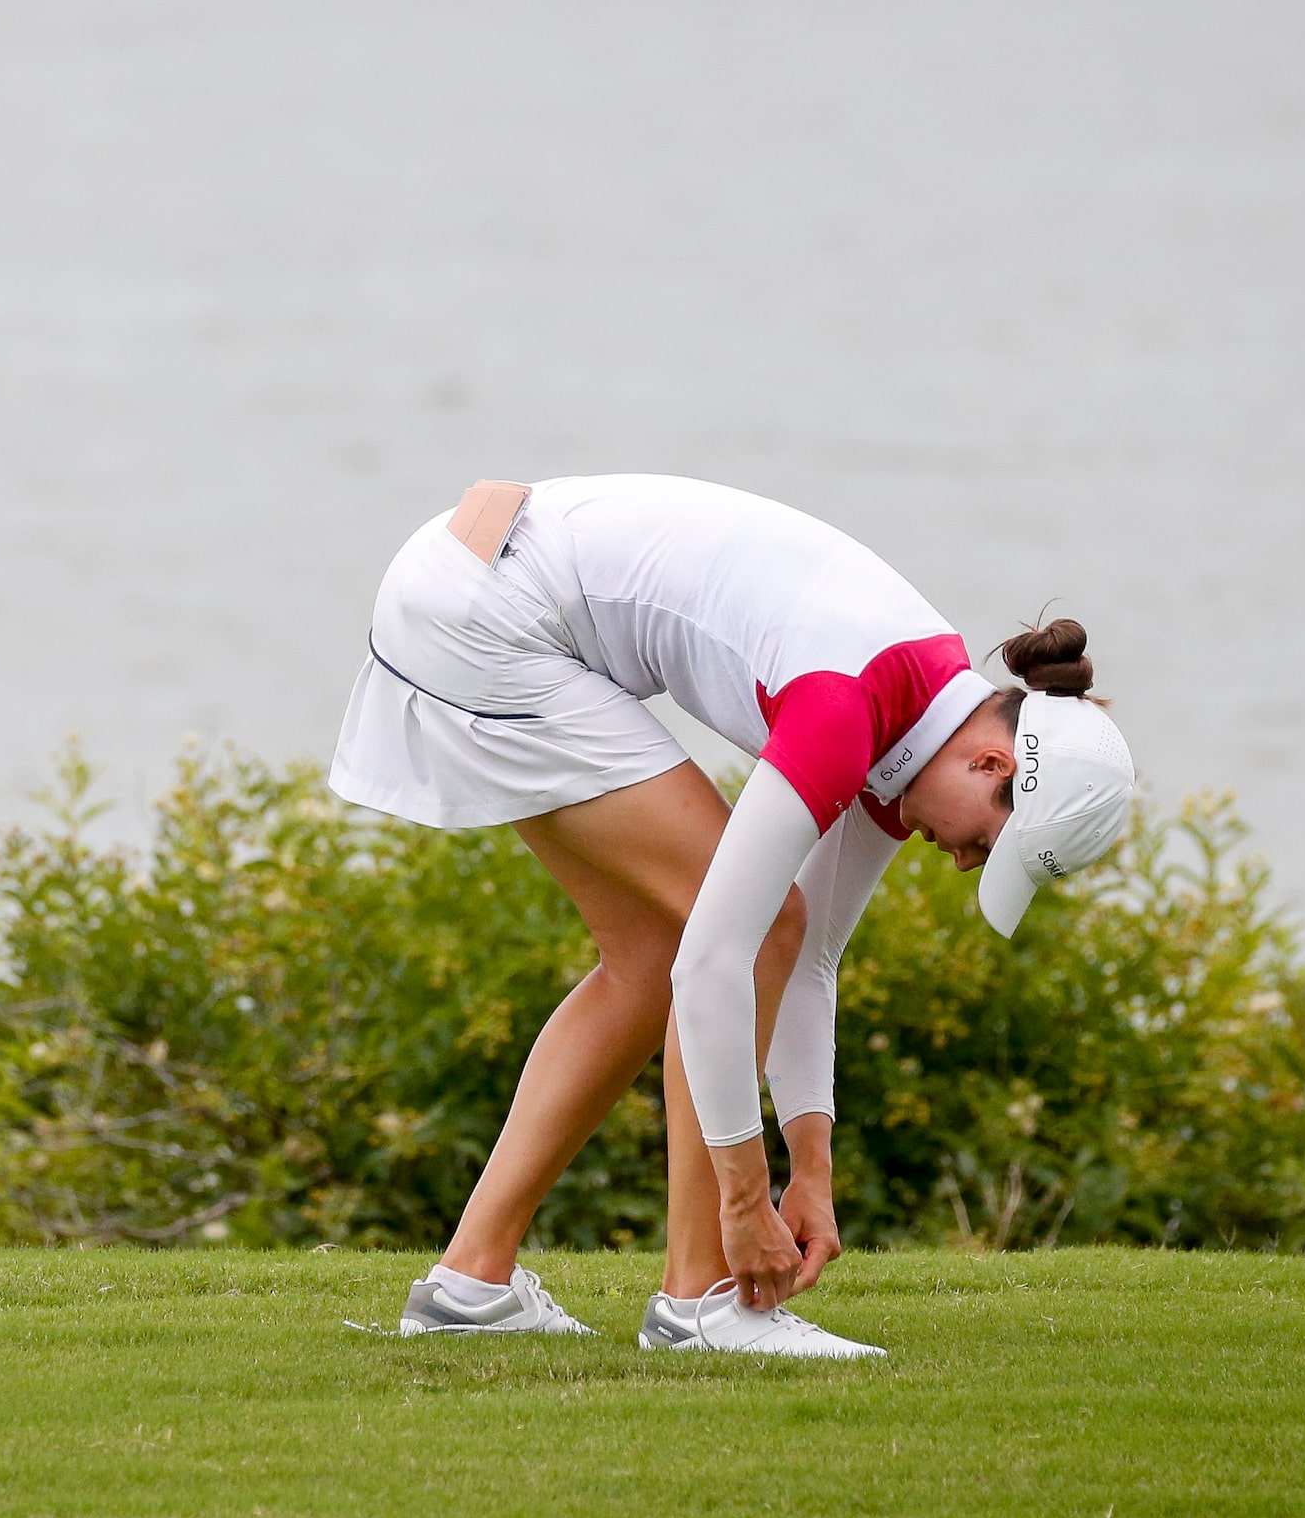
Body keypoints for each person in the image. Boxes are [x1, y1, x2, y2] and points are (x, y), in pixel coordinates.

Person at [330, 475, 1135, 1359]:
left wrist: (811, 1167)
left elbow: (811, 959)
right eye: (988, 843)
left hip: (469, 579)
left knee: (651, 954)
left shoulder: (919, 727)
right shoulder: (848, 702)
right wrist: (744, 1200)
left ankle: (469, 1286)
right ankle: (702, 1301)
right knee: (726, 935)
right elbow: (725, 958)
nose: (965, 861)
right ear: (989, 764)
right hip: (483, 612)